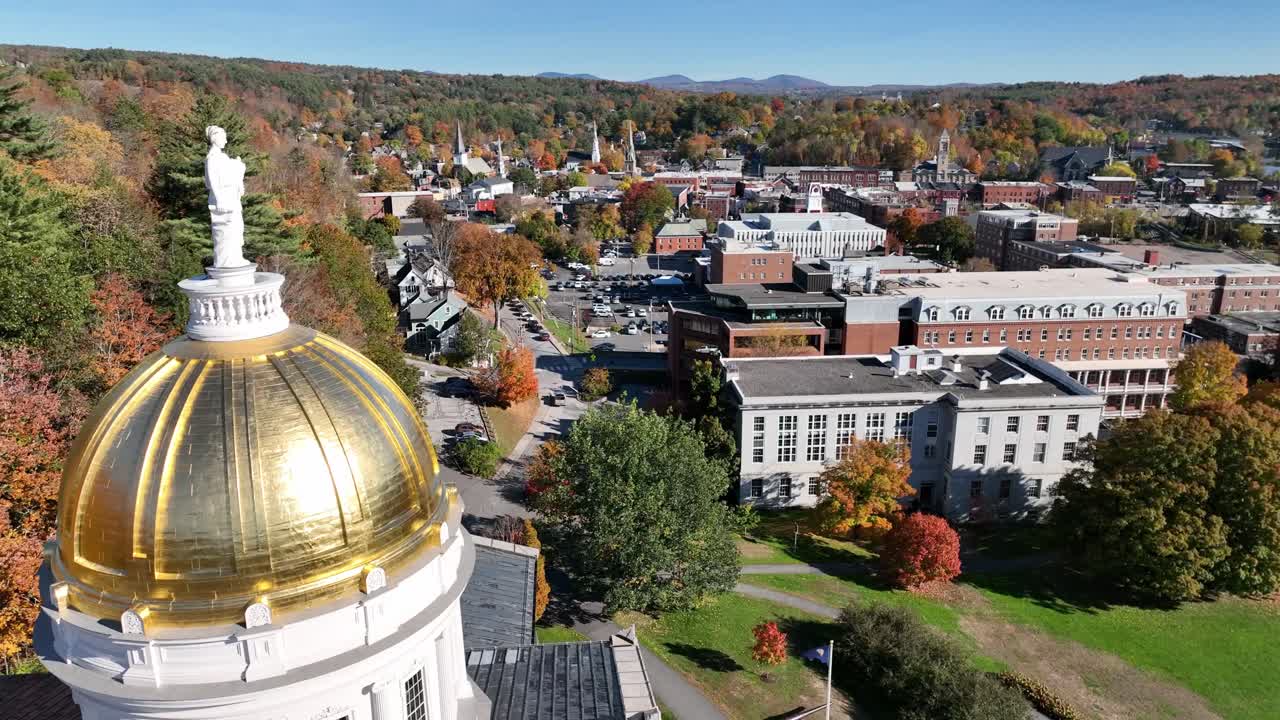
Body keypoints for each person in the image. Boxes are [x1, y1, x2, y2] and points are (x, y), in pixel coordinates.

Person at [205, 125, 249, 268]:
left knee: (236, 228)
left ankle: (235, 258)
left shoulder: (222, 157)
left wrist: (238, 167)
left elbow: (232, 174)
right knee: (224, 232)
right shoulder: (212, 158)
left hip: (230, 197)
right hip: (222, 199)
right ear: (215, 138)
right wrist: (219, 199)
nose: (226, 140)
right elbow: (212, 181)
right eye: (223, 137)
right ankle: (225, 262)